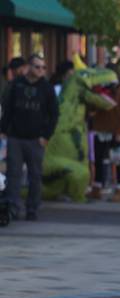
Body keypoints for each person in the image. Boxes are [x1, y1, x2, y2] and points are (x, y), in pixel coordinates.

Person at [0, 54, 59, 221]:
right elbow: (8, 108)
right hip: (16, 137)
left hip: (36, 139)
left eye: (43, 67)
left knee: (35, 175)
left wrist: (46, 135)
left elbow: (54, 114)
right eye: (37, 67)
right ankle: (12, 208)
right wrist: (3, 129)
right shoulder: (16, 85)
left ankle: (32, 209)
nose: (41, 70)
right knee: (13, 175)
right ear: (29, 67)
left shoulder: (47, 88)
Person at [89, 74, 120, 202]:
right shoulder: (99, 88)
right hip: (100, 128)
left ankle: (119, 189)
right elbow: (92, 107)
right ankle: (97, 187)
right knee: (98, 159)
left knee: (118, 160)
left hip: (115, 130)